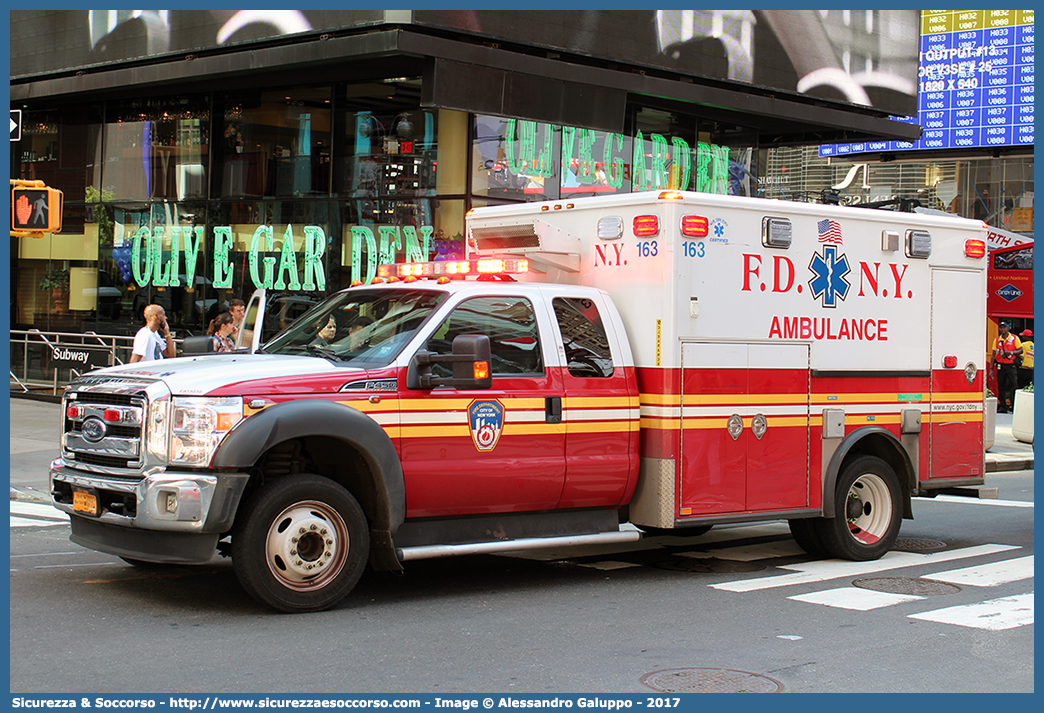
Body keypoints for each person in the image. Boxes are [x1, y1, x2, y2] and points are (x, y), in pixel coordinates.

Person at [991, 322, 1023, 413]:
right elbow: (993, 354)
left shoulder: (1014, 338)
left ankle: (1013, 406)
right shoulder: (997, 340)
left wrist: (1011, 353)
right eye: (1001, 328)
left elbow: (1020, 350)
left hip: (1011, 365)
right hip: (1001, 365)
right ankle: (1003, 407)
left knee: (1013, 385)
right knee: (1001, 386)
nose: (1002, 330)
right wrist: (990, 369)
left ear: (1008, 328)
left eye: (1004, 328)